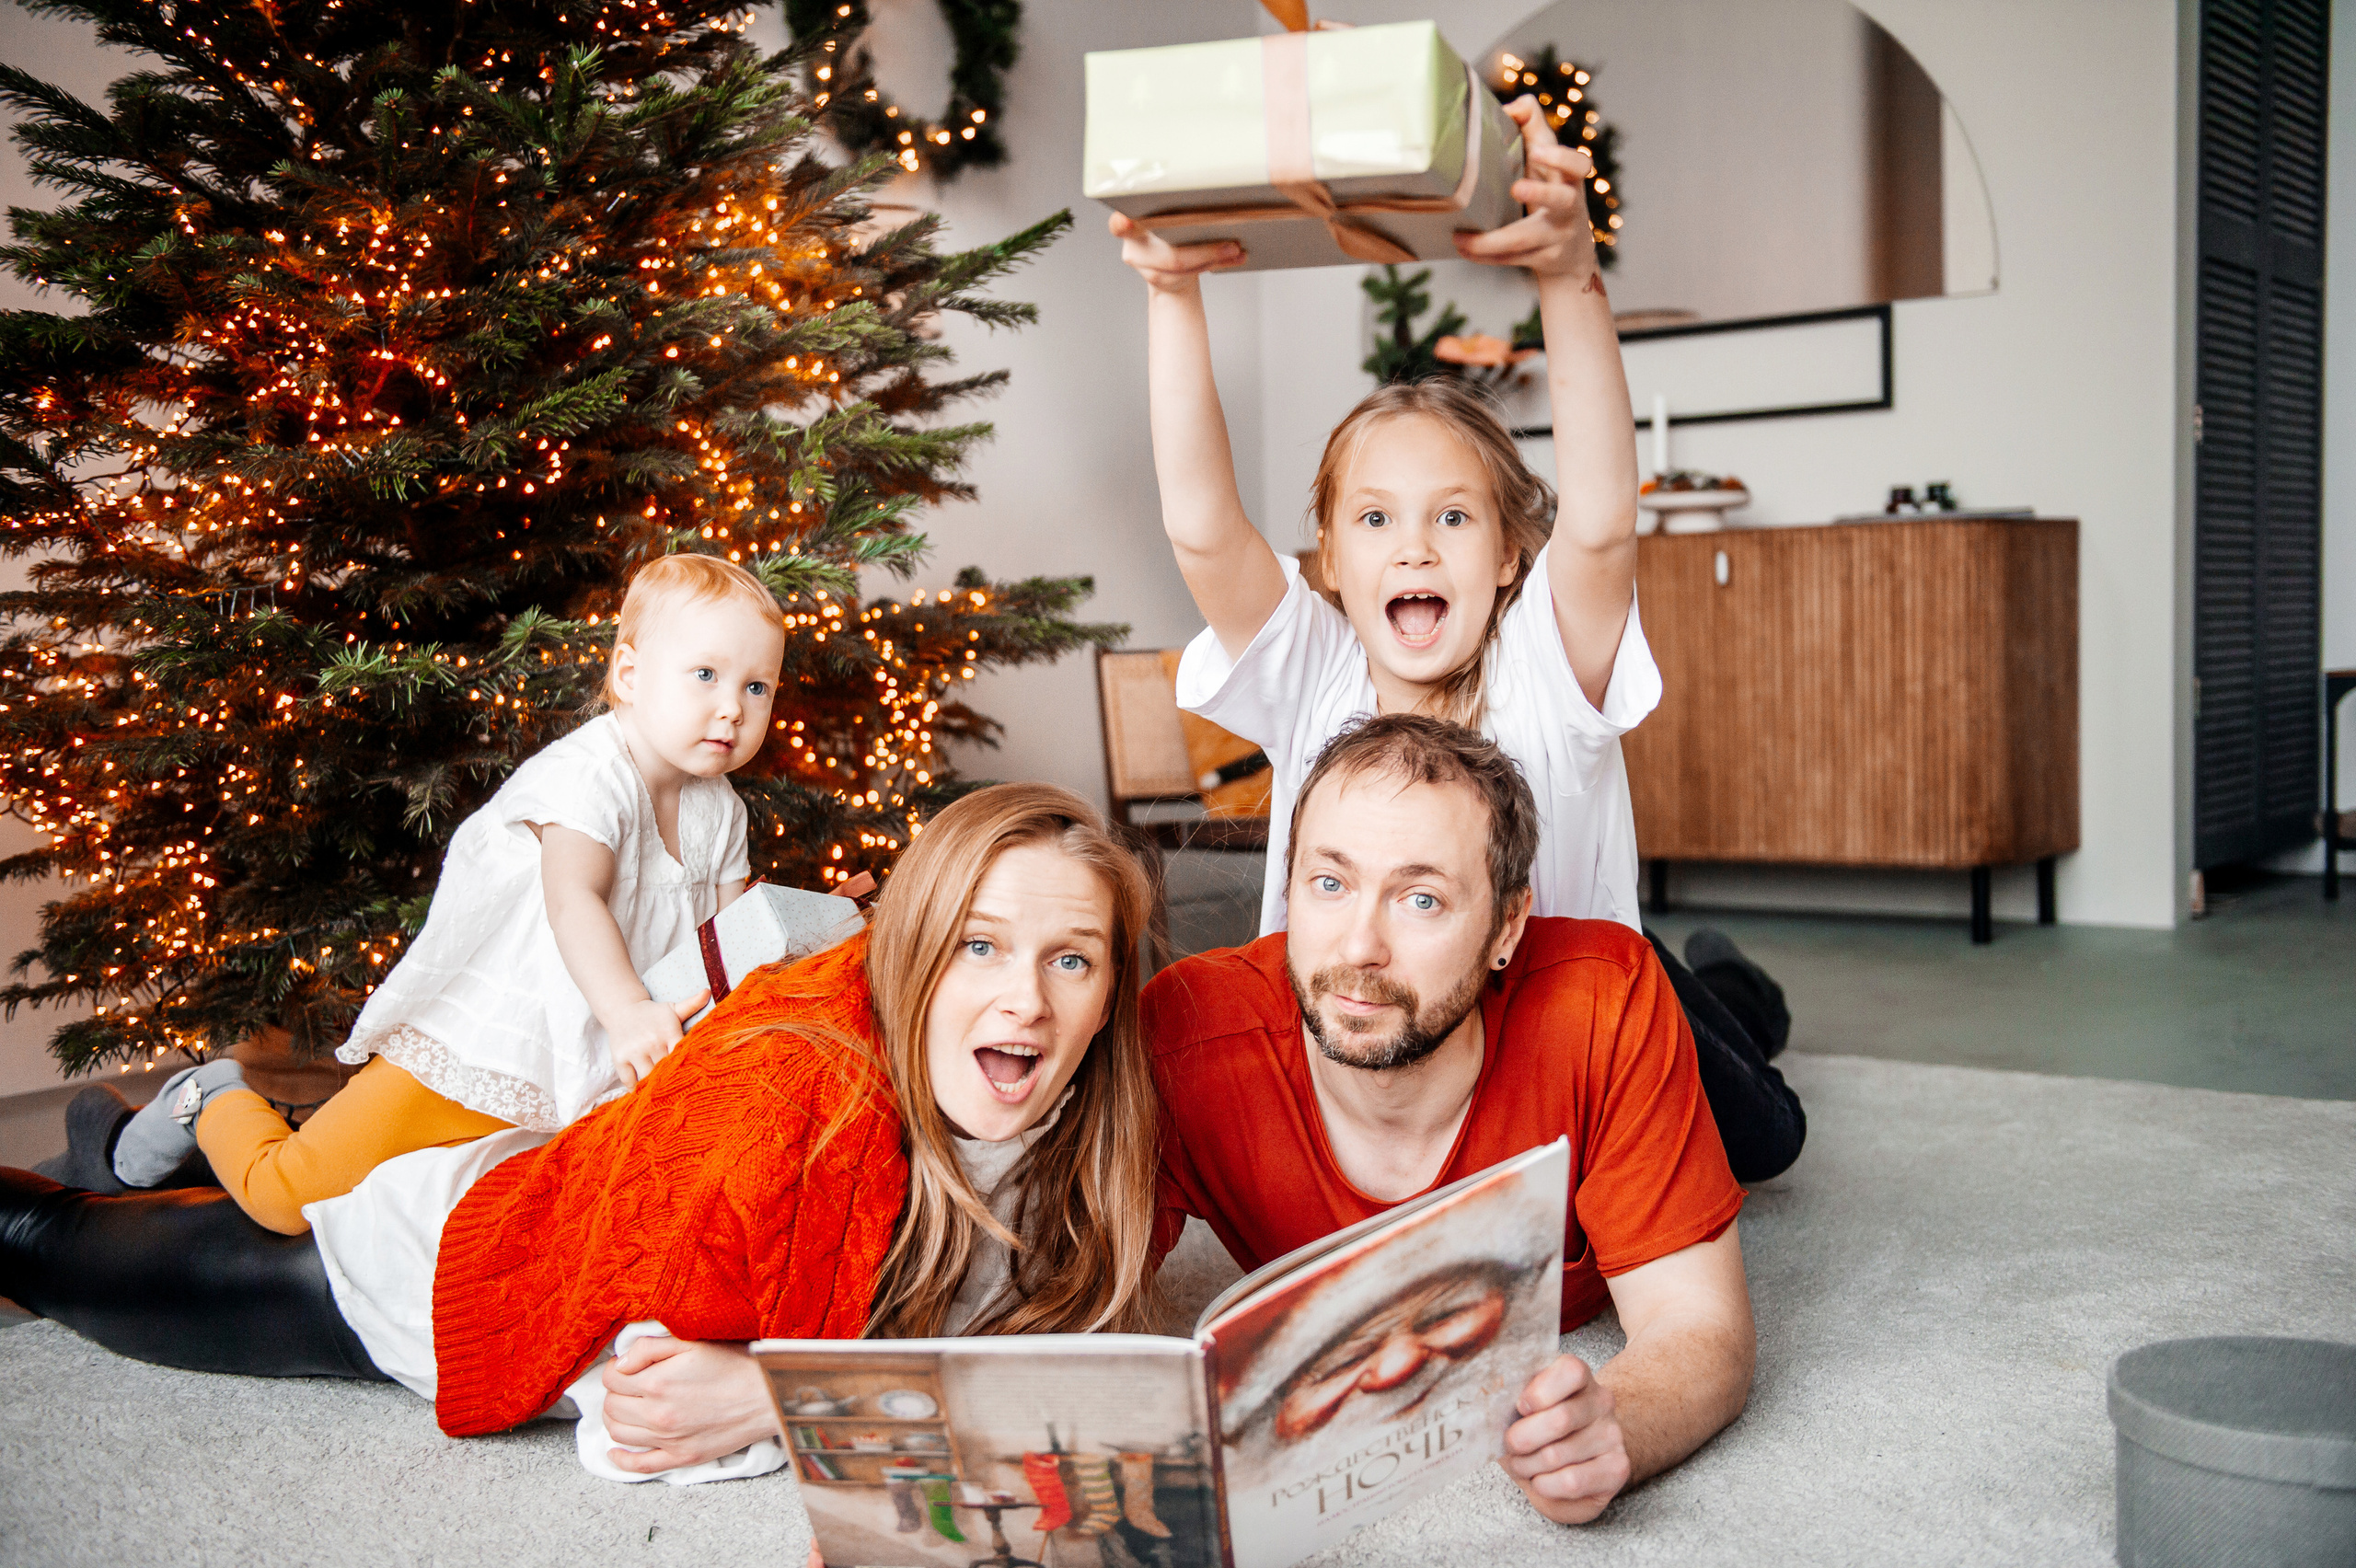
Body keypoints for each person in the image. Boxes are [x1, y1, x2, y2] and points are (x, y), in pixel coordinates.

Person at [0, 782, 1163, 1482]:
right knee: (48, 1248)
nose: (1026, 1000)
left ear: (1111, 990)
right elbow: (651, 1404)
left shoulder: (1091, 1122)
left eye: (1071, 959)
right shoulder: (783, 1102)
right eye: (978, 946)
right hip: (422, 1269)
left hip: (541, 1170)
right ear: (910, 955)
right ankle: (185, 1114)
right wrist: (797, 1397)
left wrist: (777, 1390)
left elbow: (1097, 1368)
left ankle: (130, 1140)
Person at [1113, 96, 1802, 1182]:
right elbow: (1201, 528)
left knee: (1766, 1135)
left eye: (1452, 517)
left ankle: (1730, 985)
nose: (1413, 548)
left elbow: (1603, 522)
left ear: (1511, 555)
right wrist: (1170, 292)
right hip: (1410, 1021)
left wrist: (1567, 274)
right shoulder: (1314, 671)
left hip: (1593, 1010)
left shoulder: (1542, 669)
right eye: (1374, 520)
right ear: (1327, 561)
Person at [1145, 715, 1757, 1526]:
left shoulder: (1606, 1000)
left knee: (1767, 1118)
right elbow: (1071, 1308)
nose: (1358, 947)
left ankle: (1734, 980)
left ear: (1507, 926)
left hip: (1676, 1038)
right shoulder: (1187, 1032)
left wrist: (1617, 1426)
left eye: (1421, 898)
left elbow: (1698, 1321)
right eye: (1329, 883)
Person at [99, 553, 787, 1233]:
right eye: (705, 675)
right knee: (290, 1197)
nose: (732, 708)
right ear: (630, 676)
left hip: (585, 1062)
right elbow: (574, 898)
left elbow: (725, 940)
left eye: (757, 687)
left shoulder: (719, 808)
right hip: (486, 1040)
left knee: (476, 1223)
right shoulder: (591, 776)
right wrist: (631, 1011)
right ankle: (209, 1095)